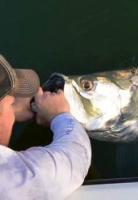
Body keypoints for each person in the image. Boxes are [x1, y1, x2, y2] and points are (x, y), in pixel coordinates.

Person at [0, 55, 91, 199]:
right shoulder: (10, 179)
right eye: (10, 105)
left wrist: (10, 111)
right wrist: (59, 115)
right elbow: (74, 158)